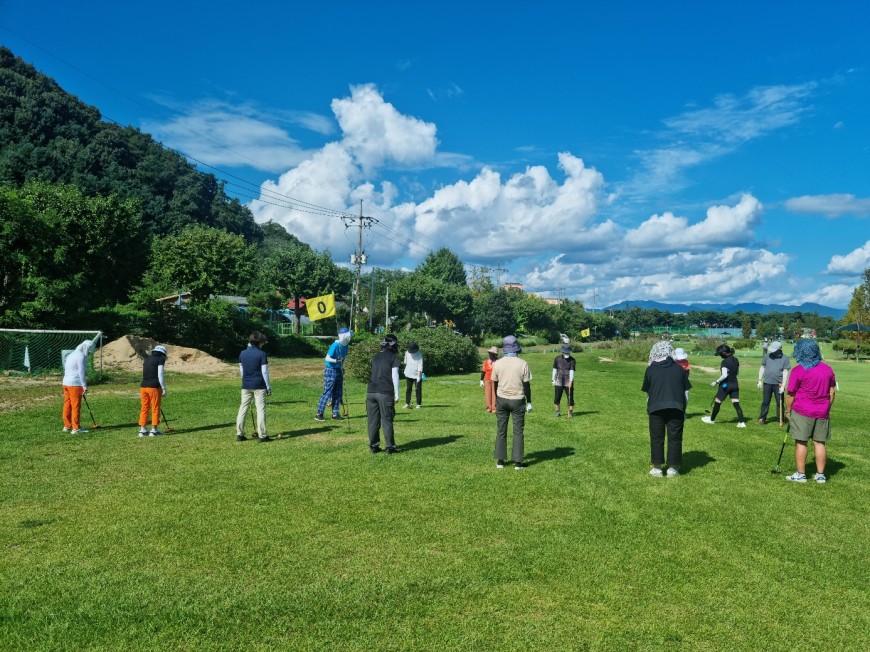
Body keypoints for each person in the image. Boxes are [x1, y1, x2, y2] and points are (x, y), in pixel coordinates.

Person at [785, 339, 836, 483]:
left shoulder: (798, 370)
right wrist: (826, 408)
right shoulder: (827, 369)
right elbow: (831, 393)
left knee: (801, 442)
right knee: (820, 443)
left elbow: (790, 394)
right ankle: (820, 475)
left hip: (802, 411)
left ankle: (801, 475)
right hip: (822, 411)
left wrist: (788, 411)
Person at [642, 341, 691, 477]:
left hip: (655, 407)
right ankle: (672, 469)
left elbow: (648, 392)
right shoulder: (679, 369)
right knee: (675, 438)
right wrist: (684, 409)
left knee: (656, 437)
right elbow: (686, 392)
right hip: (676, 407)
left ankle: (657, 468)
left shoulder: (650, 369)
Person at [491, 335, 532, 470]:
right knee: (518, 431)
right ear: (516, 348)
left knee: (501, 429)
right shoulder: (523, 363)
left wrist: (497, 398)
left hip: (501, 399)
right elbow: (526, 386)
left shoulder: (497, 363)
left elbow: (495, 383)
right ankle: (518, 462)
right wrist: (529, 402)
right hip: (518, 400)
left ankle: (500, 461)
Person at [367, 333, 400, 454]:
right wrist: (397, 394)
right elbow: (395, 375)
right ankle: (390, 447)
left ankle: (373, 447)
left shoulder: (375, 356)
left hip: (370, 392)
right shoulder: (393, 357)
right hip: (385, 392)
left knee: (372, 421)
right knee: (387, 420)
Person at [236, 331, 272, 442]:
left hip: (246, 385)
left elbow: (241, 371)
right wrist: (268, 386)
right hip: (259, 385)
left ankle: (239, 434)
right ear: (259, 342)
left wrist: (245, 381)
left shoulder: (242, 353)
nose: (263, 344)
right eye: (263, 342)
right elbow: (264, 372)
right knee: (260, 409)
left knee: (243, 408)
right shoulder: (261, 354)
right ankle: (262, 435)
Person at [701, 344, 747, 427]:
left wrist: (716, 382)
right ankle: (741, 422)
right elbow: (737, 373)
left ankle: (711, 420)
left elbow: (724, 375)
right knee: (736, 403)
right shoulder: (736, 360)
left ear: (723, 353)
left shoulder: (724, 362)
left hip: (726, 385)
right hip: (735, 384)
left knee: (717, 402)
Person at [316, 327, 352, 421]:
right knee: (327, 391)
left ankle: (335, 414)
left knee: (338, 392)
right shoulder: (335, 345)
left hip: (338, 370)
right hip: (330, 370)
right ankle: (319, 413)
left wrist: (341, 366)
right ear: (344, 336)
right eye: (348, 335)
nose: (349, 337)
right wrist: (336, 360)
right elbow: (327, 358)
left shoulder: (345, 346)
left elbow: (343, 359)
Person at [756, 340, 791, 425]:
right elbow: (762, 368)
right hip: (767, 382)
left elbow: (785, 372)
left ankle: (780, 419)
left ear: (779, 349)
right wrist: (759, 380)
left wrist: (783, 386)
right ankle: (762, 418)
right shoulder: (767, 356)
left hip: (778, 384)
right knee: (765, 401)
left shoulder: (785, 359)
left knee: (779, 402)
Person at [61, 340, 91, 434]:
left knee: (67, 404)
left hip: (66, 382)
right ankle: (76, 428)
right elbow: (81, 372)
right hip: (75, 384)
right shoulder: (81, 356)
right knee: (75, 406)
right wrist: (84, 386)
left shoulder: (72, 354)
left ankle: (67, 426)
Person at [138, 345, 168, 436]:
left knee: (144, 407)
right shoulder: (160, 359)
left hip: (143, 387)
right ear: (163, 353)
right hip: (154, 387)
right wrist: (163, 388)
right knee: (155, 408)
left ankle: (143, 429)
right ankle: (154, 430)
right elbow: (160, 374)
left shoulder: (147, 359)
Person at [552, 343, 575, 418]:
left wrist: (571, 381)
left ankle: (570, 412)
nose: (567, 354)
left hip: (568, 381)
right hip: (558, 381)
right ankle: (557, 412)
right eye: (565, 352)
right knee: (557, 397)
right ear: (563, 352)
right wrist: (553, 379)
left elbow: (571, 371)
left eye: (568, 352)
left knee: (570, 398)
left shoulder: (572, 360)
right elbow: (554, 370)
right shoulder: (557, 359)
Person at [402, 342, 424, 409]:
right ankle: (407, 403)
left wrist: (419, 376)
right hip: (409, 373)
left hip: (417, 374)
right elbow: (405, 362)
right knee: (408, 389)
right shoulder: (407, 353)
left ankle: (418, 404)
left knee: (418, 389)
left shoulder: (419, 354)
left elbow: (420, 365)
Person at [480, 346, 498, 413]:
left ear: (495, 354)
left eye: (492, 354)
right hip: (487, 380)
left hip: (495, 380)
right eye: (490, 354)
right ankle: (488, 408)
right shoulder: (486, 362)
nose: (490, 355)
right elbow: (483, 371)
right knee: (488, 394)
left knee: (494, 394)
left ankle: (494, 408)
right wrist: (481, 380)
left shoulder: (498, 362)